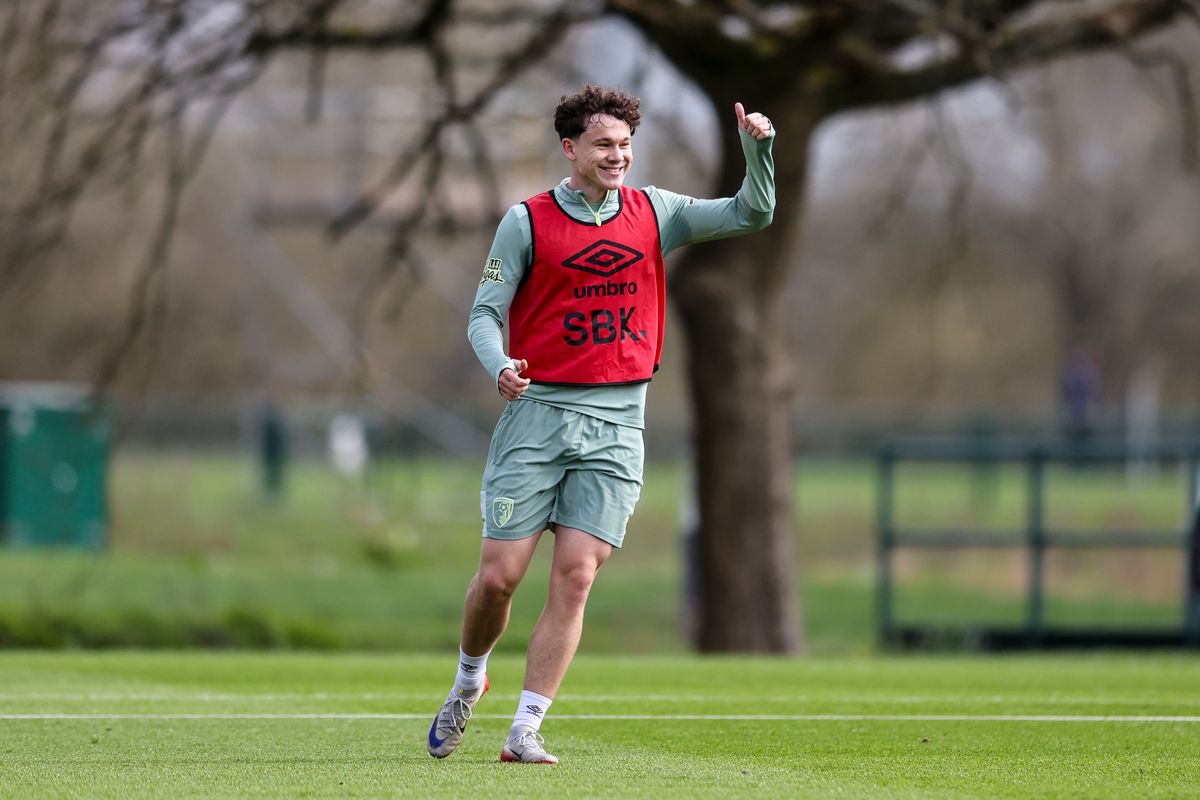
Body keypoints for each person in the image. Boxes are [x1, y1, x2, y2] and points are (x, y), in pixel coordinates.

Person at [427, 84, 775, 765]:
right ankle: (470, 677)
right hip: (537, 415)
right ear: (570, 149)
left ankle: (526, 728)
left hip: (618, 423)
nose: (618, 157)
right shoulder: (525, 222)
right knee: (500, 576)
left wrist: (757, 152)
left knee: (577, 576)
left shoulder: (656, 212)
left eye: (625, 146)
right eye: (604, 146)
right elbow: (483, 315)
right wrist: (499, 366)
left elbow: (752, 213)